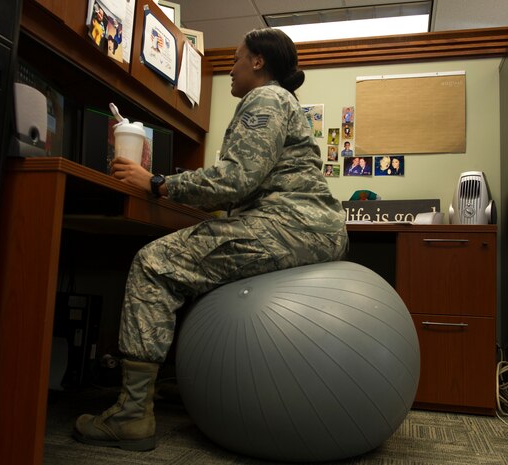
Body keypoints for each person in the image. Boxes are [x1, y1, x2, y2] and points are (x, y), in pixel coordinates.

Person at [73, 27, 349, 451]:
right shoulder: (281, 102)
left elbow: (236, 179)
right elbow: (243, 180)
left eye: (236, 59)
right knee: (201, 269)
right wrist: (175, 184)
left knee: (154, 262)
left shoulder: (266, 98)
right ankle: (199, 381)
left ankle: (130, 415)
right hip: (307, 227)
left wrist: (158, 183)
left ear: (258, 61)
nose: (231, 69)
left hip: (289, 227)